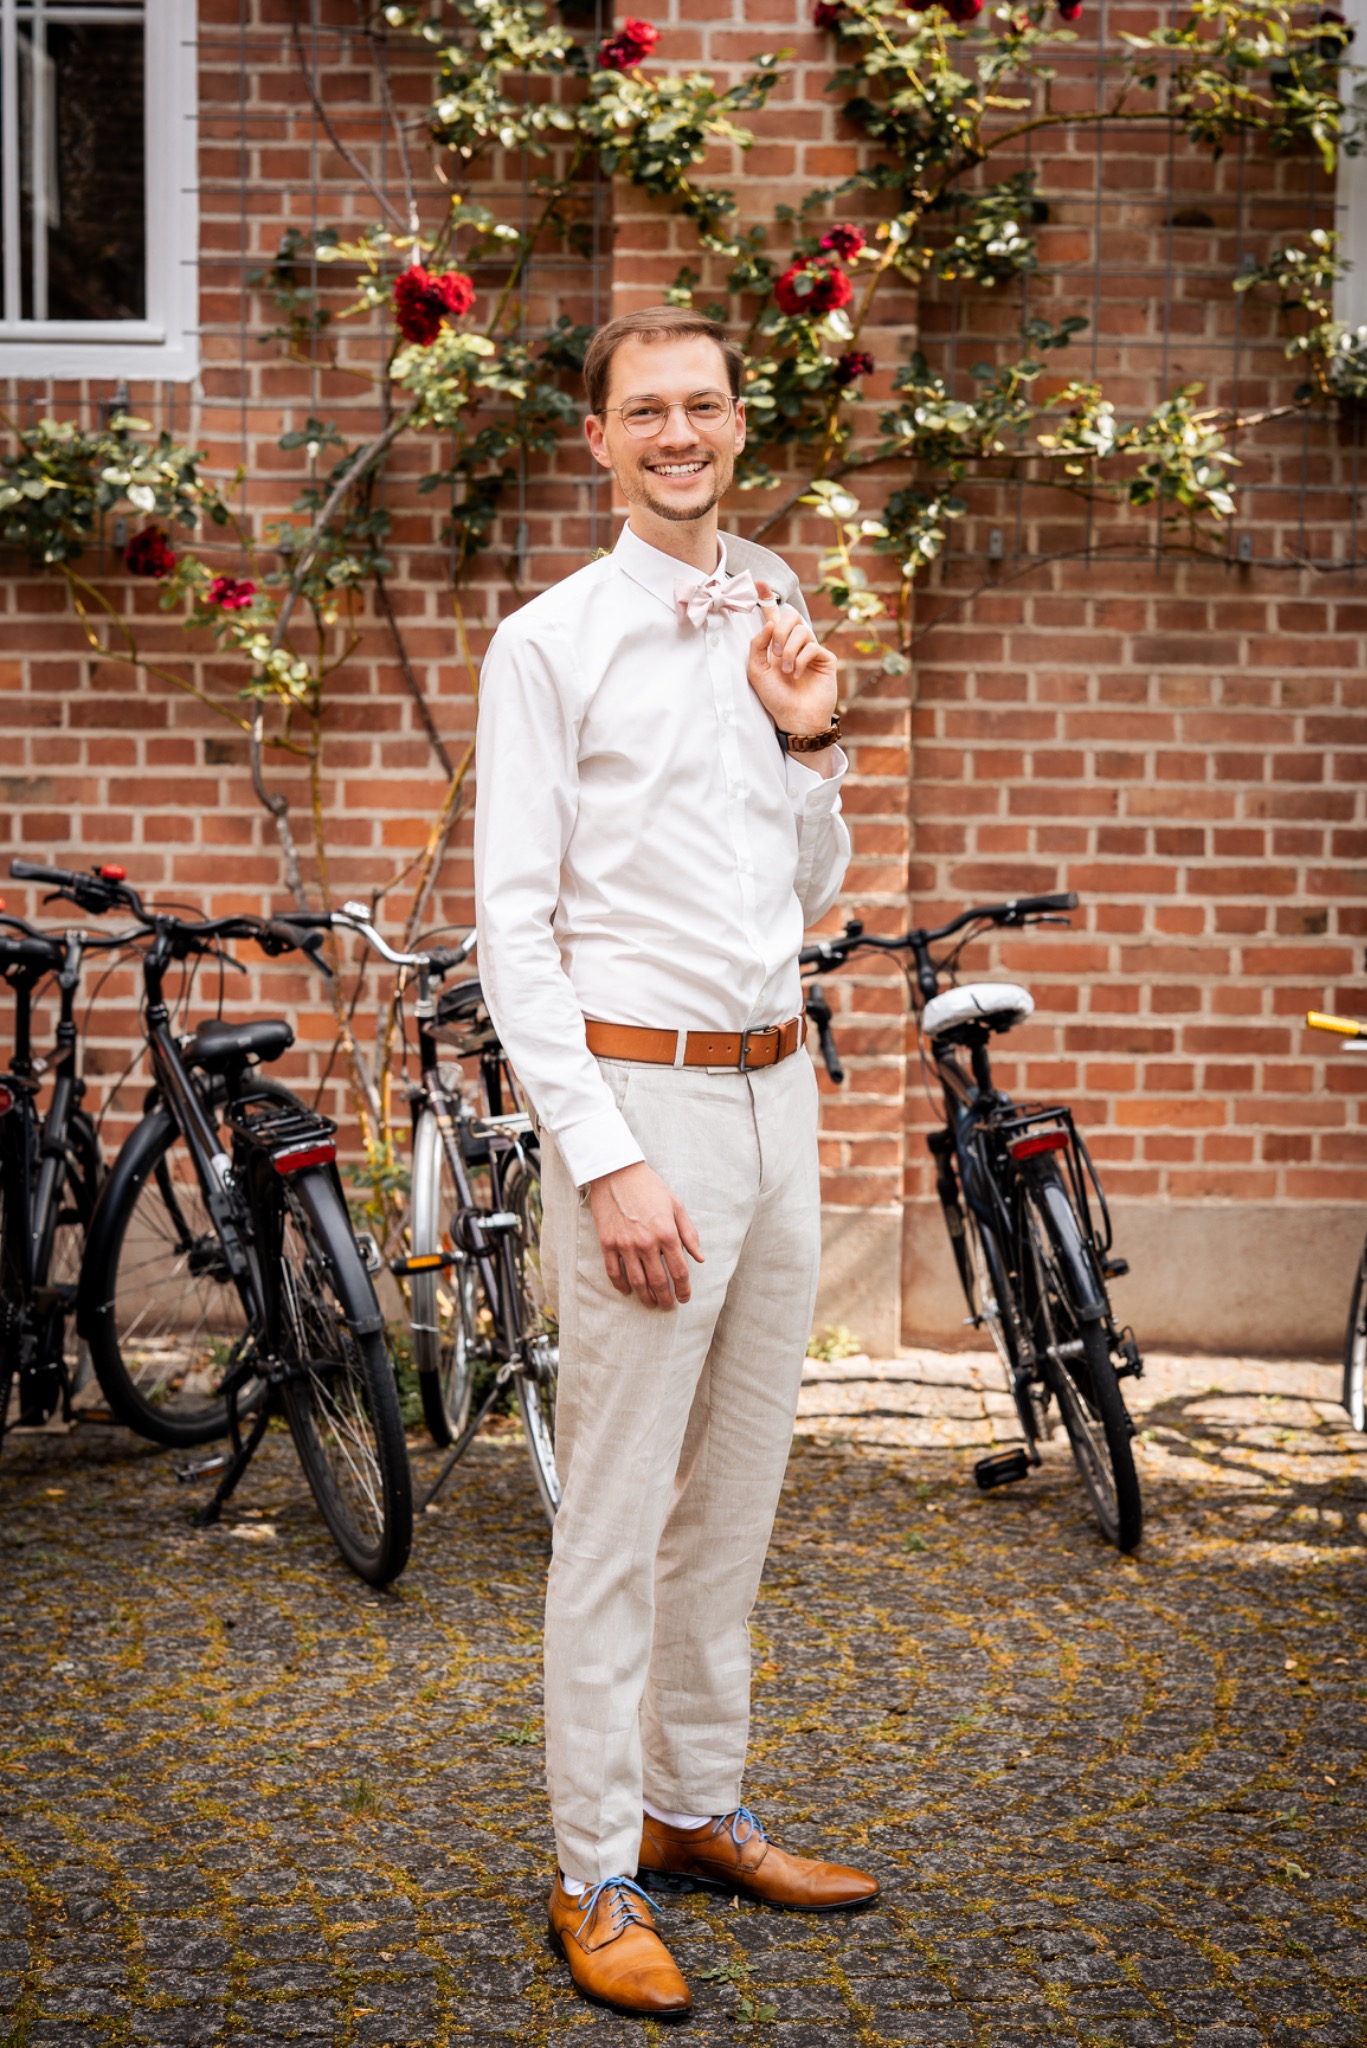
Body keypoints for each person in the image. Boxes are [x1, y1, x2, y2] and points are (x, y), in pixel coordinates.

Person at [474, 305, 878, 2019]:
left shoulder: (772, 611)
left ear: (738, 423)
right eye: (646, 410)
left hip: (783, 1097)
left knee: (742, 1498)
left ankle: (698, 1805)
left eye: (704, 406)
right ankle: (590, 1868)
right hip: (644, 1120)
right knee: (620, 1514)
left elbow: (817, 890)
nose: (680, 434)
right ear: (600, 440)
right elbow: (513, 935)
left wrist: (805, 737)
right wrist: (607, 1161)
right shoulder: (545, 644)